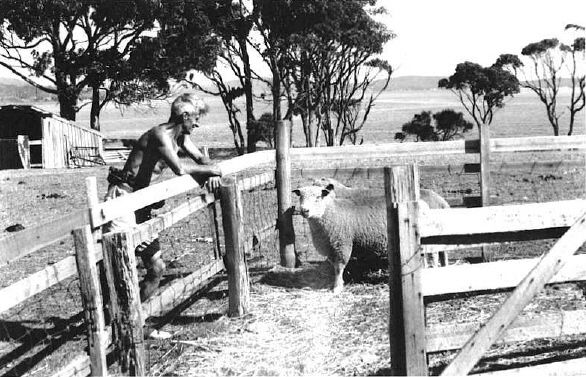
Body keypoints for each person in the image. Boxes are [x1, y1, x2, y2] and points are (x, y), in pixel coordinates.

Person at [104, 93, 223, 300]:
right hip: (123, 199)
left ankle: (140, 320)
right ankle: (116, 324)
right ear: (185, 116)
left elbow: (200, 158)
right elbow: (179, 168)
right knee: (121, 264)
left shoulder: (181, 138)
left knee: (157, 267)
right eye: (196, 118)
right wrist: (211, 172)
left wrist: (212, 170)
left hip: (142, 203)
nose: (197, 124)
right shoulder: (160, 135)